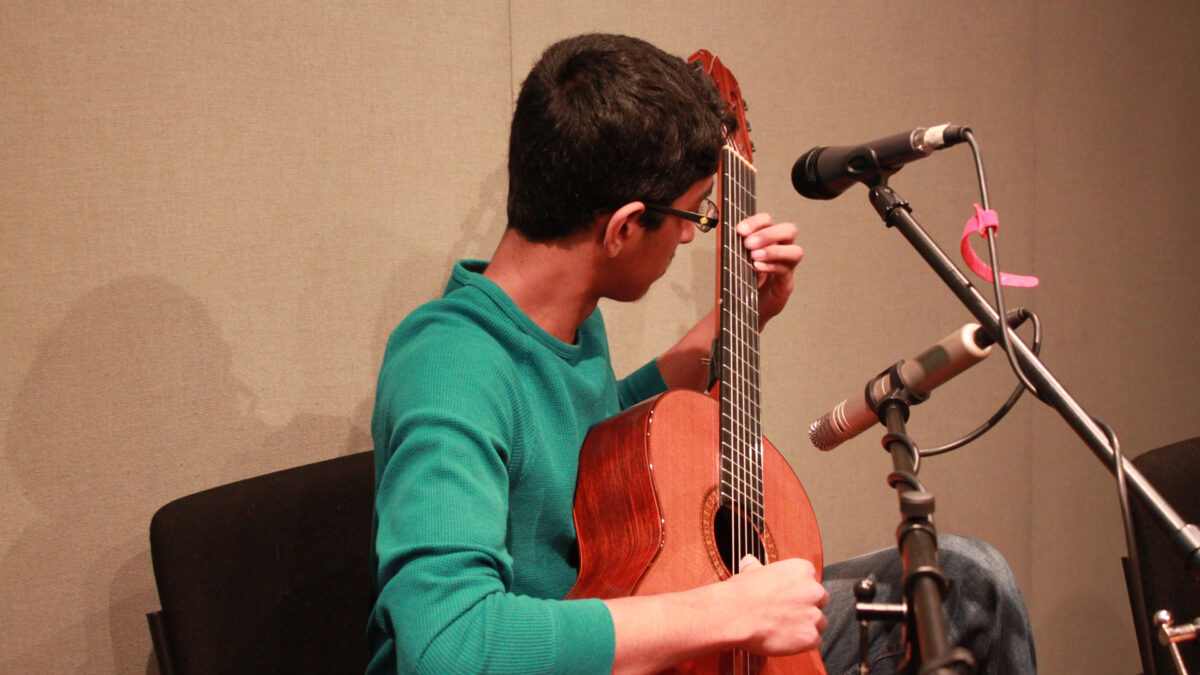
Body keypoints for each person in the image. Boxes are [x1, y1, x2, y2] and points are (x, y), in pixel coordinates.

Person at [368, 33, 1036, 674]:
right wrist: (724, 611)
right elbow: (448, 645)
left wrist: (738, 320)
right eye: (695, 215)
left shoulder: (568, 324)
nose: (694, 238)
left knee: (969, 582)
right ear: (626, 227)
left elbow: (592, 448)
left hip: (642, 619)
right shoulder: (451, 365)